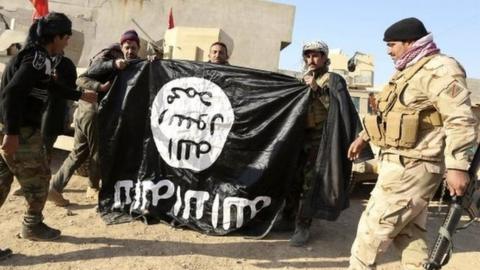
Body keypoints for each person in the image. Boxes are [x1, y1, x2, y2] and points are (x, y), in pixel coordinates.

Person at [347, 17, 477, 269]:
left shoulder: (440, 69)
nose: (388, 50)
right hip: (399, 165)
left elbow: (460, 119)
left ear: (409, 42)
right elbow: (387, 113)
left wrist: (458, 166)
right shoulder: (408, 71)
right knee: (409, 235)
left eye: (392, 44)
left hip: (413, 167)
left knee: (369, 235)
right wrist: (363, 137)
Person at [0, 12, 97, 256]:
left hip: (10, 127)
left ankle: (32, 225)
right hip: (19, 130)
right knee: (41, 178)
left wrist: (77, 95)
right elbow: (12, 94)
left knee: (1, 183)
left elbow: (46, 85)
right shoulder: (36, 59)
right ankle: (32, 226)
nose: (67, 42)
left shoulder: (39, 58)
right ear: (56, 37)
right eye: (66, 37)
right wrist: (11, 133)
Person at [277, 40, 371, 247]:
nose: (312, 59)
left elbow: (337, 110)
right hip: (300, 138)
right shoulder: (302, 79)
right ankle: (287, 218)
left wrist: (316, 89)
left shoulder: (333, 79)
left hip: (322, 141)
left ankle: (303, 226)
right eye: (308, 56)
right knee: (293, 178)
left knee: (310, 185)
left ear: (325, 58)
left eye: (316, 55)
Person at [48, 30, 139, 206]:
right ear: (121, 47)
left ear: (138, 48)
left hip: (85, 113)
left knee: (78, 153)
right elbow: (81, 79)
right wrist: (101, 86)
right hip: (93, 113)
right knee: (98, 152)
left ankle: (54, 186)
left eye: (133, 48)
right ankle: (93, 187)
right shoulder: (109, 59)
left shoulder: (129, 62)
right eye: (127, 47)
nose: (130, 51)